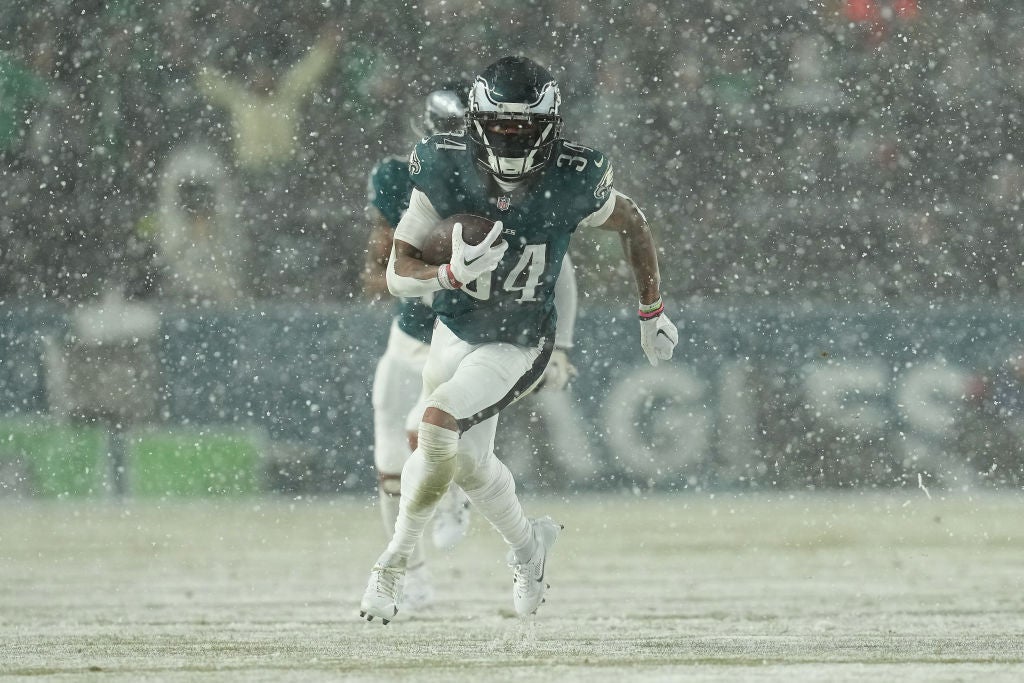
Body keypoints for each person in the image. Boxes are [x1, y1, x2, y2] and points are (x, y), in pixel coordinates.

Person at [359, 55, 677, 624]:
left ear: (550, 129)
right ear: (476, 125)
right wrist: (447, 276)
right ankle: (529, 546)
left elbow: (632, 222)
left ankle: (391, 567)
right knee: (469, 465)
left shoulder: (574, 175)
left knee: (433, 426)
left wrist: (649, 309)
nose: (513, 140)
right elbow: (395, 273)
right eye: (502, 128)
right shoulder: (440, 164)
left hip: (519, 340)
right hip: (451, 331)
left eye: (526, 129)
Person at [362, 84, 580, 614]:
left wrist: (562, 345)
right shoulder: (409, 175)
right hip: (411, 334)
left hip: (470, 334)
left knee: (431, 432)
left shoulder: (511, 184)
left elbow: (558, 268)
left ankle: (444, 511)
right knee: (390, 464)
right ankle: (411, 573)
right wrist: (423, 268)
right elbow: (380, 263)